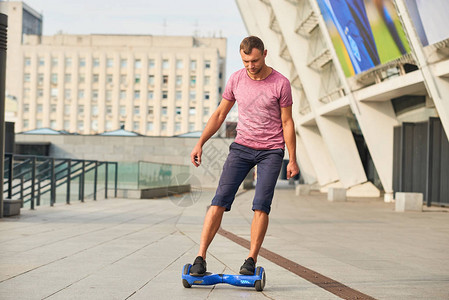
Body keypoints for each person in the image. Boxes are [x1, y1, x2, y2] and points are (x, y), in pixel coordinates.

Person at [189, 36, 299, 276]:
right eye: (246, 61)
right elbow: (219, 114)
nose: (251, 66)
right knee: (219, 200)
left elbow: (287, 121)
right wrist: (200, 143)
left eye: (255, 60)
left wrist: (292, 158)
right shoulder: (236, 79)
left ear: (265, 54)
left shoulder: (281, 83)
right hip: (241, 148)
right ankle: (200, 257)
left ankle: (250, 259)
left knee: (261, 205)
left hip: (271, 151)